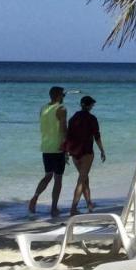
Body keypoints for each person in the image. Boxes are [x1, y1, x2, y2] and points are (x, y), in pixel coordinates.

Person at [28, 86, 68, 217]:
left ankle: (35, 197)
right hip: (58, 148)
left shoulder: (43, 108)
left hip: (46, 147)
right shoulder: (61, 109)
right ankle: (54, 208)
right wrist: (67, 146)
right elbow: (63, 129)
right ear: (58, 96)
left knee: (47, 176)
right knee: (58, 179)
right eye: (63, 95)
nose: (63, 98)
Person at [64, 94, 106, 214]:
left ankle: (89, 204)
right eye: (92, 104)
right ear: (89, 105)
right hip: (86, 152)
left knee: (84, 178)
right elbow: (97, 136)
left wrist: (66, 152)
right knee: (82, 180)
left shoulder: (73, 118)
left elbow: (68, 136)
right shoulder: (92, 118)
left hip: (74, 153)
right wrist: (102, 150)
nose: (93, 106)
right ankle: (73, 208)